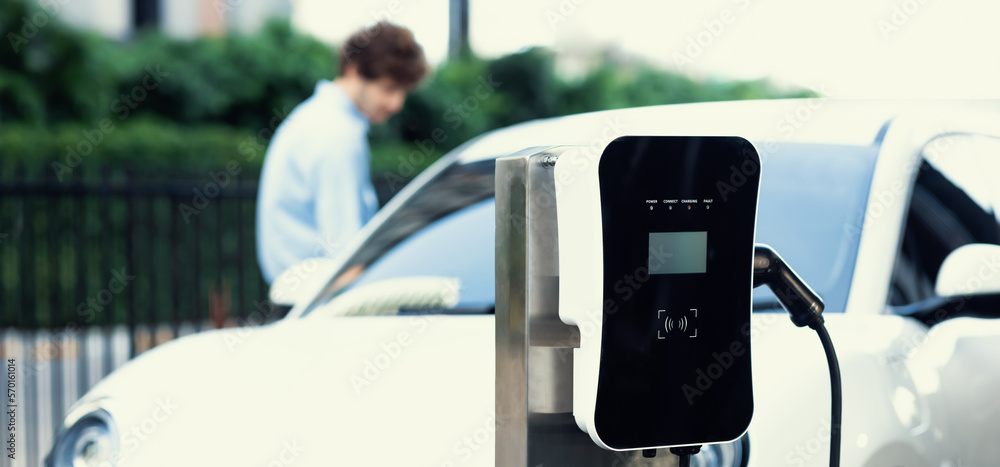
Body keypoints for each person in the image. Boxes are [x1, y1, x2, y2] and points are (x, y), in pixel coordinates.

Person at [256, 21, 429, 284]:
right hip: (318, 300)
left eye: (403, 91)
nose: (397, 103)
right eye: (389, 89)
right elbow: (344, 256)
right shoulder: (336, 134)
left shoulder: (315, 118)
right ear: (354, 70)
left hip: (300, 293)